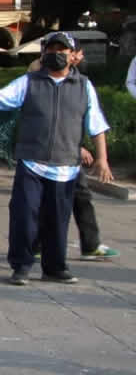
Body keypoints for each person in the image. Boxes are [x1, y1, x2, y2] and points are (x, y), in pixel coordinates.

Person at [0, 32, 113, 285]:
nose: (56, 54)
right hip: (32, 163)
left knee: (58, 220)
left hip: (66, 167)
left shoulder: (84, 86)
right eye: (51, 49)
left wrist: (102, 159)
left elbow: (96, 125)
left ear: (72, 55)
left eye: (62, 50)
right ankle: (21, 266)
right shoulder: (30, 82)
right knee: (24, 216)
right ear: (43, 54)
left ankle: (55, 268)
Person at [24, 47, 119, 261]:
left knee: (81, 197)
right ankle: (37, 245)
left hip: (69, 154)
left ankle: (90, 244)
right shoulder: (40, 72)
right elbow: (50, 118)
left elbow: (87, 120)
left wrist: (99, 156)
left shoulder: (79, 81)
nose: (76, 57)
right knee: (46, 201)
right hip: (47, 154)